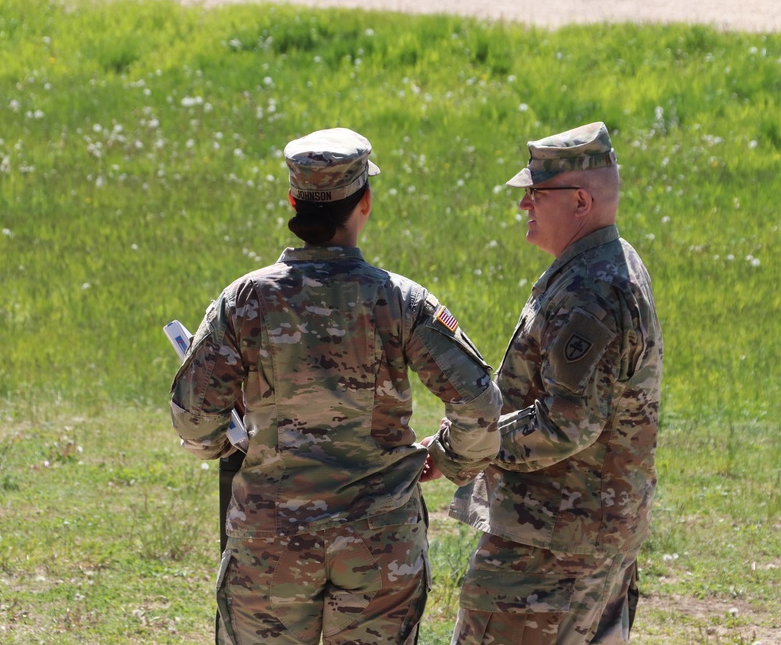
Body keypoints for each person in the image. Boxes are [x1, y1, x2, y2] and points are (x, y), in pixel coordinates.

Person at [169, 127, 502, 645]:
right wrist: (449, 460)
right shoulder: (402, 300)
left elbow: (193, 419)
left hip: (270, 543)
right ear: (364, 202)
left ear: (293, 201)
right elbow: (479, 405)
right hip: (378, 545)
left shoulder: (244, 300)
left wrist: (224, 444)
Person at [448, 122, 663, 644]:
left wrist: (474, 441)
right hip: (588, 536)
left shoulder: (591, 290)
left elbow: (568, 423)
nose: (524, 204)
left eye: (536, 193)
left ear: (580, 203)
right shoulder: (609, 263)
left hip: (549, 551)